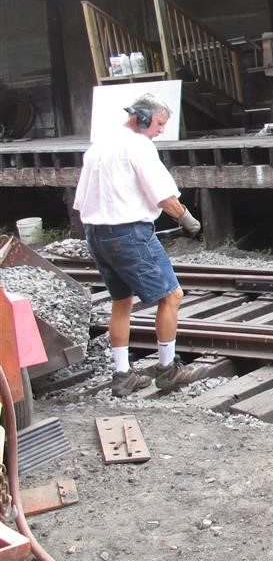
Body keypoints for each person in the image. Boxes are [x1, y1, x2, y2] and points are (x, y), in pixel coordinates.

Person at [73, 94, 208, 397]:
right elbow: (164, 196)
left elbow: (80, 202)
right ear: (143, 118)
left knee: (121, 302)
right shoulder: (138, 146)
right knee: (172, 295)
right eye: (159, 123)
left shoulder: (99, 147)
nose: (161, 130)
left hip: (96, 234)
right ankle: (167, 370)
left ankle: (122, 376)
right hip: (128, 233)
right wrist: (188, 220)